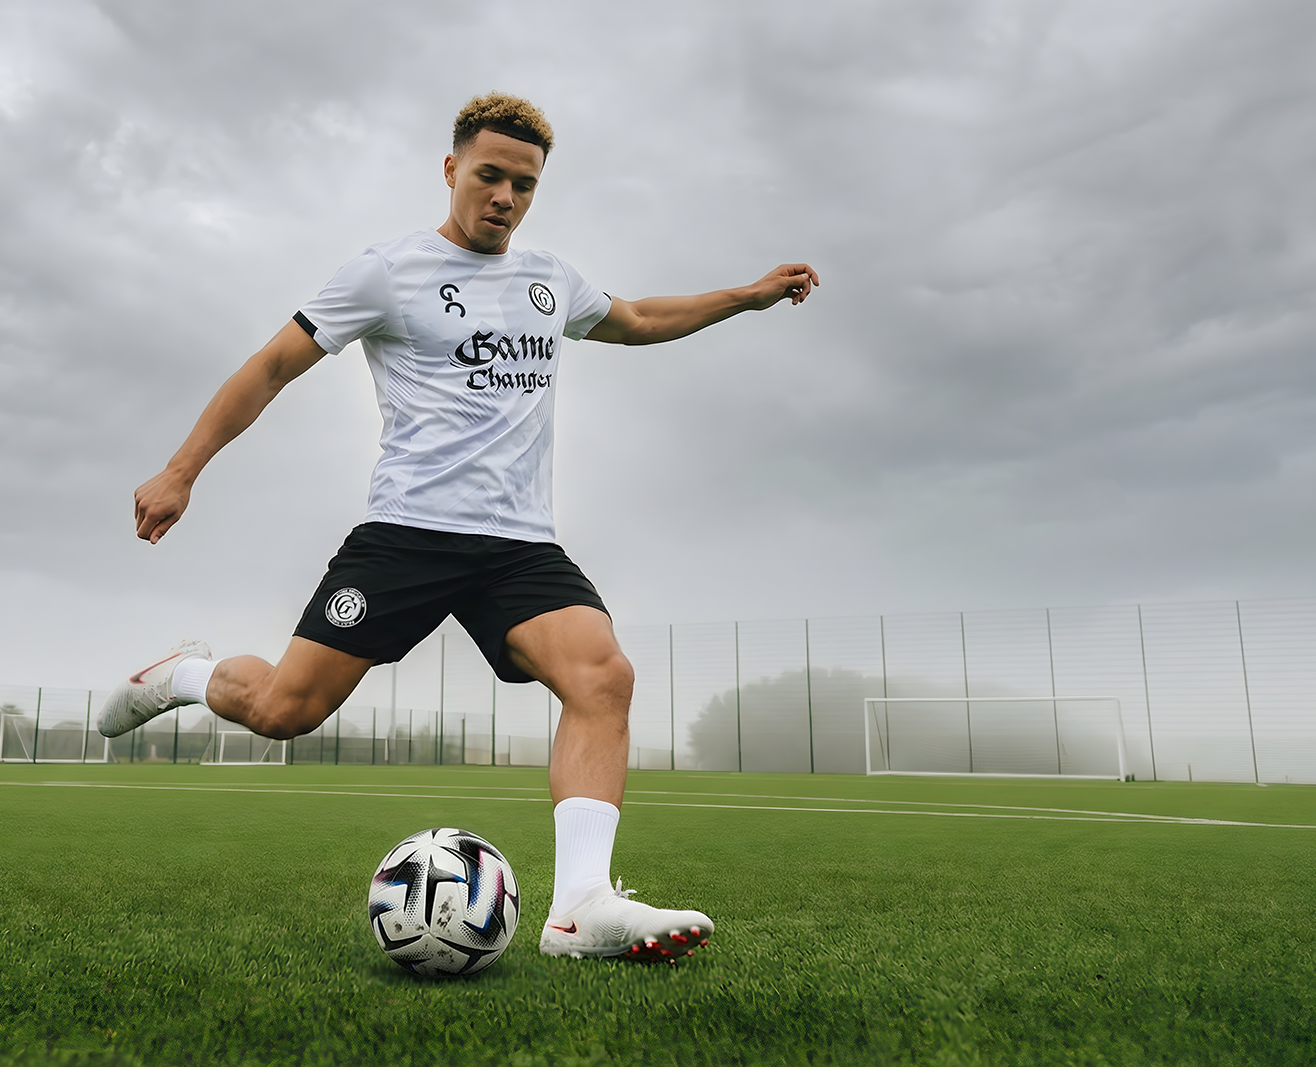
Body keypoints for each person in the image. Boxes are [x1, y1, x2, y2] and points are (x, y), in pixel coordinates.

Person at [104, 92, 818, 963]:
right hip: (405, 535)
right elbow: (271, 366)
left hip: (518, 547)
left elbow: (636, 321)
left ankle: (579, 909)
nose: (505, 198)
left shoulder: (550, 282)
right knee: (284, 710)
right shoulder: (386, 273)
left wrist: (744, 297)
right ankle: (184, 675)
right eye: (489, 176)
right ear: (451, 170)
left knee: (603, 677)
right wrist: (181, 470)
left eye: (524, 184)